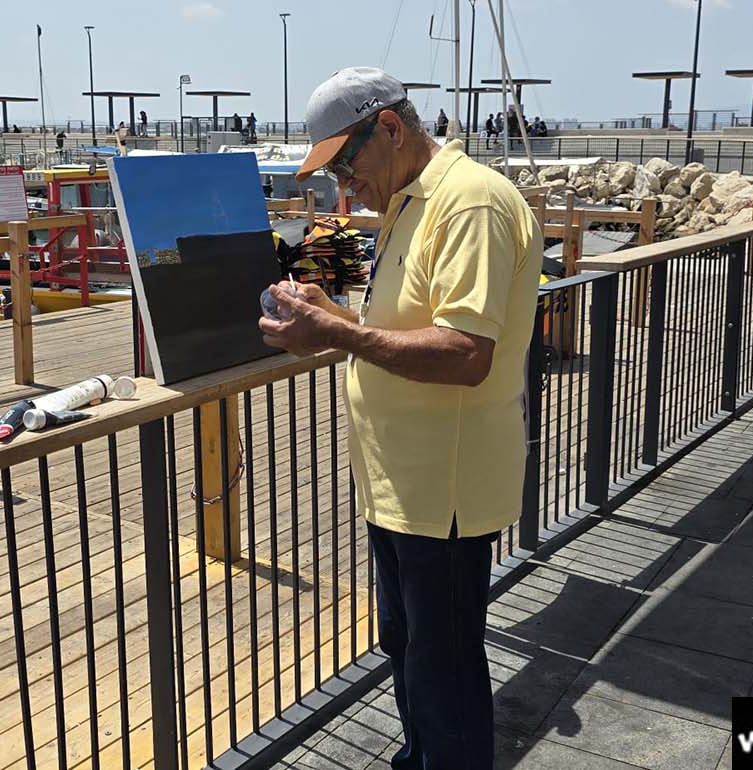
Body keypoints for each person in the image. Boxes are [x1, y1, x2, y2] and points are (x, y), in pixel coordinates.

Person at [263, 66, 543, 770]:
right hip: (401, 486)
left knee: (442, 665)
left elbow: (464, 353)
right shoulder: (410, 200)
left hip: (442, 490)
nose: (341, 184)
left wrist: (338, 335)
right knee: (411, 647)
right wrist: (337, 316)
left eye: (344, 164)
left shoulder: (469, 202)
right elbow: (406, 324)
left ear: (389, 128)